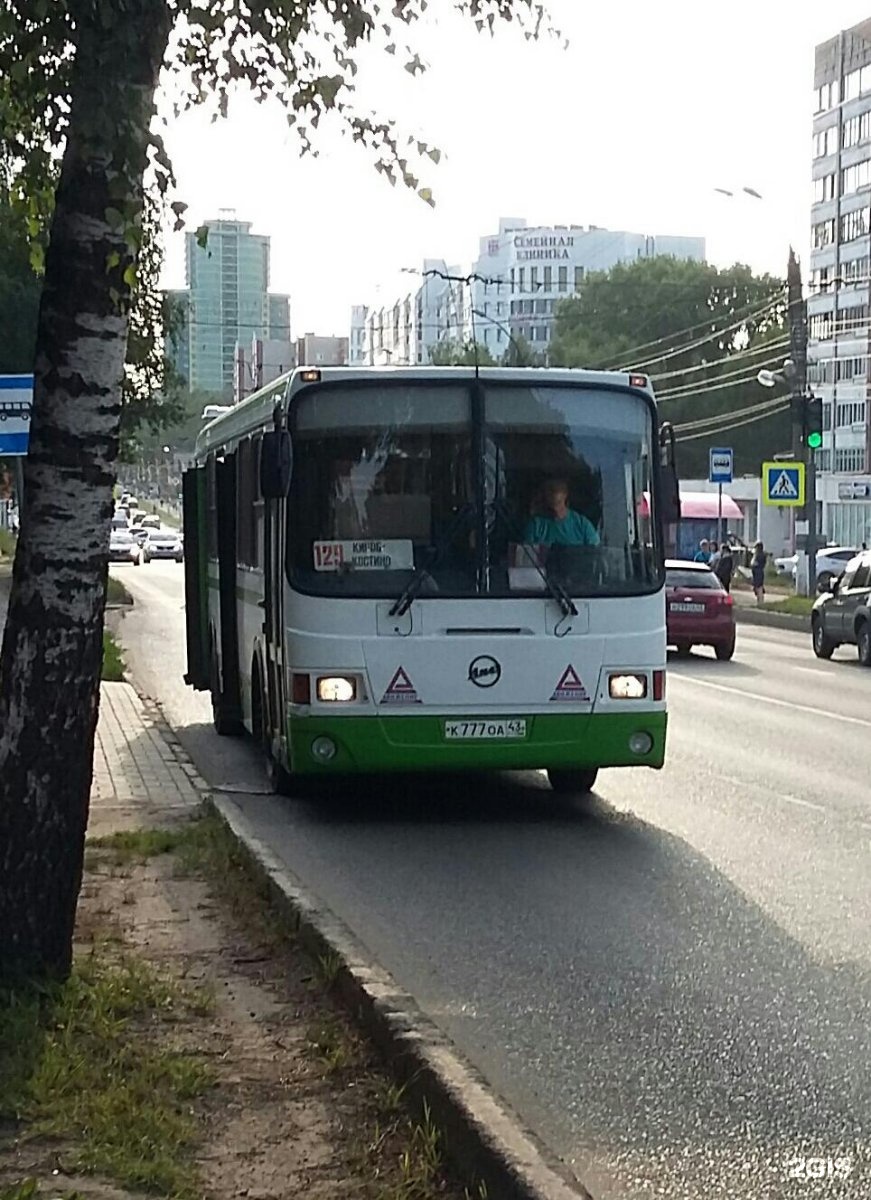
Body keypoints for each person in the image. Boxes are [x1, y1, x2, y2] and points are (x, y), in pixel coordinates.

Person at [523, 479, 599, 547]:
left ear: (565, 497)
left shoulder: (582, 525)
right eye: (551, 505)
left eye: (558, 503)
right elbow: (527, 557)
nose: (556, 510)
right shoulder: (536, 525)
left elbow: (596, 554)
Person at [750, 541, 766, 606]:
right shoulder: (757, 555)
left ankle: (760, 602)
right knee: (757, 587)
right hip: (757, 572)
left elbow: (755, 563)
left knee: (759, 587)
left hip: (758, 572)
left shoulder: (760, 555)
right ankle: (759, 601)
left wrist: (754, 564)